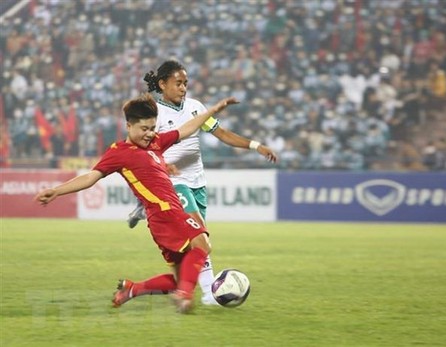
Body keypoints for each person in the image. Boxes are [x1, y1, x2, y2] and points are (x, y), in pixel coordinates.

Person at [34, 93, 239, 314]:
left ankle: (133, 289)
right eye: (144, 129)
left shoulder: (157, 142)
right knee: (202, 244)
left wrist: (213, 110)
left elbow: (187, 128)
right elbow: (91, 177)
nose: (149, 133)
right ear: (128, 126)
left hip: (161, 219)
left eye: (152, 127)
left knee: (181, 279)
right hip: (165, 213)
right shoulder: (119, 152)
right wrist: (57, 190)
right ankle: (184, 298)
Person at [126, 60, 278, 305]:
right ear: (163, 84)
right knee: (199, 233)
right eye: (178, 83)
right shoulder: (155, 113)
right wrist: (161, 166)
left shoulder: (196, 108)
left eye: (186, 83)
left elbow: (222, 134)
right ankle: (209, 293)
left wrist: (255, 145)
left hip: (197, 181)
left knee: (196, 243)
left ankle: (157, 283)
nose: (183, 88)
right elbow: (142, 148)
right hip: (174, 182)